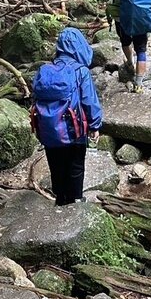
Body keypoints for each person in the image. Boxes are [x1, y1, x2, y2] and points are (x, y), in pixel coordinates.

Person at [31, 27, 103, 206]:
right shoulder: (81, 71)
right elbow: (89, 100)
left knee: (56, 165)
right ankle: (75, 199)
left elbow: (36, 98)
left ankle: (61, 198)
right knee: (76, 165)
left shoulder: (45, 70)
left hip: (49, 130)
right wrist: (95, 125)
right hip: (74, 130)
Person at [102, 0, 148, 92]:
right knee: (141, 49)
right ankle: (139, 84)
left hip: (121, 14)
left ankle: (130, 63)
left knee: (125, 41)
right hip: (141, 13)